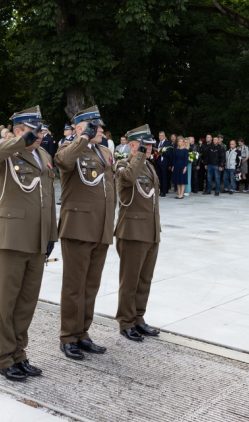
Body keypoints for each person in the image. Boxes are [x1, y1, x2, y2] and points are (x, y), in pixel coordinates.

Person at [0, 106, 57, 381]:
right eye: (32, 130)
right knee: (7, 303)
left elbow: (48, 200)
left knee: (26, 303)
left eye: (41, 130)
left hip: (37, 240)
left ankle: (19, 355)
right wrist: (19, 142)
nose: (39, 135)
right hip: (12, 239)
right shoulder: (6, 155)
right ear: (17, 131)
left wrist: (51, 236)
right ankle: (4, 359)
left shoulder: (44, 155)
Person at [54, 105, 114, 361]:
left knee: (91, 285)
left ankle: (82, 333)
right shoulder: (68, 149)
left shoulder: (103, 151)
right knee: (74, 286)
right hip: (78, 227)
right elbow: (64, 163)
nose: (100, 130)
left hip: (100, 227)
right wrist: (82, 138)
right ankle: (68, 336)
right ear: (80, 128)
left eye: (99, 126)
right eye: (94, 126)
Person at [114, 125, 160, 341]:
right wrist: (139, 156)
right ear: (133, 145)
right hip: (132, 231)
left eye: (150, 144)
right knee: (130, 280)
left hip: (150, 230)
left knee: (144, 279)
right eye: (144, 144)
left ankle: (138, 318)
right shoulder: (123, 165)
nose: (149, 148)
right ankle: (126, 321)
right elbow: (128, 180)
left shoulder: (149, 167)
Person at [154, 131, 171, 197]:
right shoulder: (157, 143)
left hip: (164, 163)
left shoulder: (167, 143)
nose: (160, 137)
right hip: (157, 162)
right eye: (159, 135)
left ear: (164, 136)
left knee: (164, 177)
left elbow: (169, 153)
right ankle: (159, 190)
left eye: (161, 135)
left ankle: (164, 191)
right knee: (158, 177)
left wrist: (162, 153)